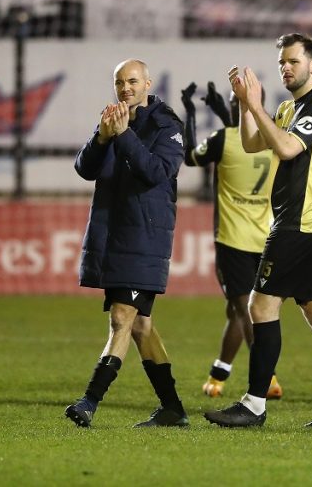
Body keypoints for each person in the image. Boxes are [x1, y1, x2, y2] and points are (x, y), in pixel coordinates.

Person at [204, 33, 312, 428]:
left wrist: (256, 105)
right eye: (281, 63)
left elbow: (289, 149)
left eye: (293, 61)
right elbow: (250, 143)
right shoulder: (287, 108)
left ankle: (254, 404)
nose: (286, 68)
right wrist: (246, 105)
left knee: (260, 306)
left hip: (298, 225)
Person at [65, 59, 189, 428]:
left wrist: (122, 136)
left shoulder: (167, 125)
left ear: (148, 82)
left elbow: (157, 172)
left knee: (122, 318)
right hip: (114, 233)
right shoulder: (115, 119)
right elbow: (85, 168)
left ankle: (89, 401)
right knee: (140, 327)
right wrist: (102, 137)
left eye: (133, 81)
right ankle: (172, 408)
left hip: (145, 236)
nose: (126, 88)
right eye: (119, 82)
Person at [180, 81, 283, 400]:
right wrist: (222, 109)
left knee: (244, 309)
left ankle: (267, 378)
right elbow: (244, 133)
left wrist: (191, 112)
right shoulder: (274, 139)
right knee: (237, 311)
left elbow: (190, 157)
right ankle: (219, 373)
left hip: (232, 240)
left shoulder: (223, 140)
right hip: (266, 238)